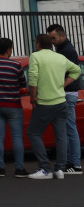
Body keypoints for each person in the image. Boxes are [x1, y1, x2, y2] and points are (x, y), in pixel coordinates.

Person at [26, 32, 81, 179]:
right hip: (61, 102)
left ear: (38, 44)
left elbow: (33, 78)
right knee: (61, 136)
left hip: (44, 102)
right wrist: (63, 84)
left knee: (33, 133)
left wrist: (32, 98)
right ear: (50, 44)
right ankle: (60, 169)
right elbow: (77, 70)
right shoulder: (60, 57)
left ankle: (45, 168)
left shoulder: (36, 56)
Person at [0, 37, 27, 178]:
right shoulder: (15, 65)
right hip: (13, 105)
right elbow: (23, 85)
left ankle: (0, 168)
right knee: (17, 137)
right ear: (9, 49)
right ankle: (19, 168)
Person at [47, 23, 82, 174]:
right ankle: (71, 162)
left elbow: (75, 72)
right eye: (50, 38)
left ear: (63, 36)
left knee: (69, 128)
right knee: (67, 128)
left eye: (53, 38)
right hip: (68, 93)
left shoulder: (66, 51)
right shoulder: (63, 49)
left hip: (68, 94)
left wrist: (60, 86)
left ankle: (75, 164)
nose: (52, 41)